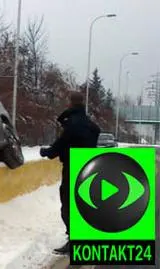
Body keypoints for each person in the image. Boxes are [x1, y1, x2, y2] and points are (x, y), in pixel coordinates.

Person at [39, 91, 100, 255]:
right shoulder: (90, 125)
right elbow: (94, 132)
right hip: (88, 166)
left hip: (73, 166)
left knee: (68, 202)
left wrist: (46, 152)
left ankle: (74, 240)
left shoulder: (73, 124)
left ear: (70, 103)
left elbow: (60, 144)